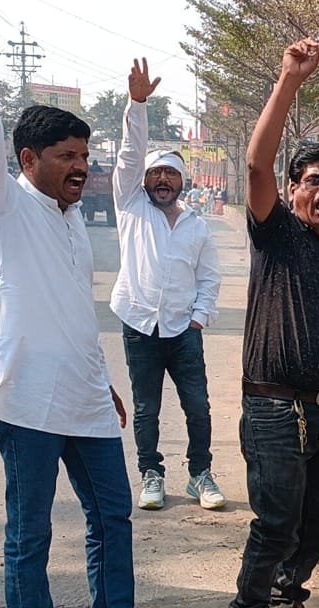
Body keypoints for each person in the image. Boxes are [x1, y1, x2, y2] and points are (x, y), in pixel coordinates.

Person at [0, 0, 180, 608]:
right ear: (27, 160)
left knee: (112, 514)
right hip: (24, 398)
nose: (82, 167)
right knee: (29, 534)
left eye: (85, 155)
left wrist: (136, 111)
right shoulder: (1, 205)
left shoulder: (73, 217)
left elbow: (131, 171)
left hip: (82, 395)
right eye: (67, 156)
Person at [215, 38, 319, 608]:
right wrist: (288, 82)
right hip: (277, 409)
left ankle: (283, 606)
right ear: (294, 191)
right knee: (276, 521)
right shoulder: (277, 233)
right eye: (312, 181)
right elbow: (255, 166)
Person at [111, 59, 224, 512]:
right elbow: (128, 155)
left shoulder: (196, 225)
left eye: (170, 174)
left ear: (182, 182)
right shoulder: (130, 206)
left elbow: (210, 277)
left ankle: (200, 474)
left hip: (182, 331)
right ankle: (151, 474)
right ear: (145, 180)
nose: (162, 180)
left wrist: (199, 319)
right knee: (146, 410)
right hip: (139, 326)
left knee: (197, 407)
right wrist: (137, 106)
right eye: (156, 173)